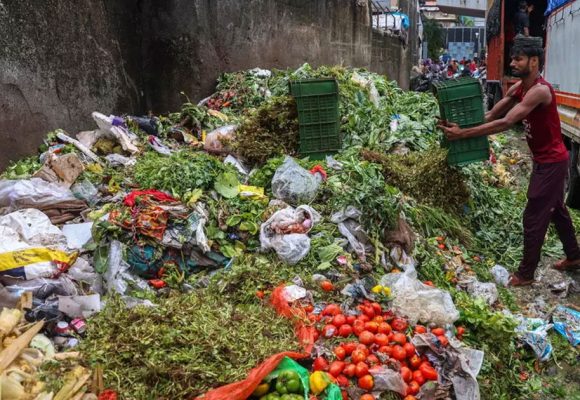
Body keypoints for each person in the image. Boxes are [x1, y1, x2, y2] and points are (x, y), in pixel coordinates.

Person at [438, 36, 580, 286]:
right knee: (556, 209)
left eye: (519, 59)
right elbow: (493, 114)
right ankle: (575, 257)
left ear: (534, 62)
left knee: (534, 216)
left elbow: (506, 122)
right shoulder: (519, 87)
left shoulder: (539, 91)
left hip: (551, 163)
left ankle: (525, 274)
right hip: (544, 160)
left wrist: (463, 135)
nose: (513, 63)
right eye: (513, 58)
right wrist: (461, 127)